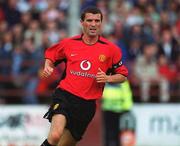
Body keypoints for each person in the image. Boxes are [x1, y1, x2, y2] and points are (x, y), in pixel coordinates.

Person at [40, 6, 128, 146]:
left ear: (101, 23)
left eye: (97, 21)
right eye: (89, 20)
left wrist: (108, 78)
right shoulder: (69, 43)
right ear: (82, 22)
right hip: (65, 95)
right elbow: (51, 55)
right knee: (55, 135)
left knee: (64, 144)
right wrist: (47, 66)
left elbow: (122, 75)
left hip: (87, 105)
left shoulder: (111, 49)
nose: (93, 24)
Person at [102, 80, 134, 146]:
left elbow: (127, 95)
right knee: (108, 132)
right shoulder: (106, 80)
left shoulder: (122, 80)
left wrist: (127, 108)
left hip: (119, 111)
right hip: (107, 110)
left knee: (117, 132)